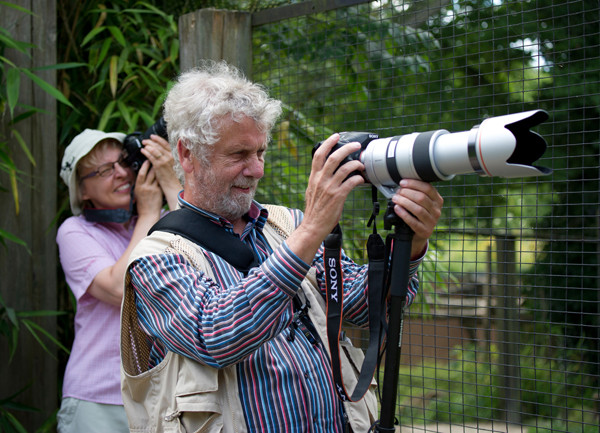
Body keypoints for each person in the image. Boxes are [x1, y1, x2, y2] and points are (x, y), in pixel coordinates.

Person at [121, 61, 443, 433]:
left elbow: (361, 307)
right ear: (188, 155)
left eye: (260, 152)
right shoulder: (156, 256)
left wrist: (412, 243)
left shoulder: (284, 224)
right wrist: (311, 231)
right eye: (239, 155)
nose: (257, 169)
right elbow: (216, 334)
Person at [56, 128, 181, 433]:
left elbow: (206, 253)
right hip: (99, 398)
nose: (123, 174)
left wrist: (169, 178)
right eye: (104, 170)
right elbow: (118, 288)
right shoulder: (75, 231)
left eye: (124, 163)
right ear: (81, 191)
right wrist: (149, 211)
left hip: (162, 395)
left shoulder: (158, 221)